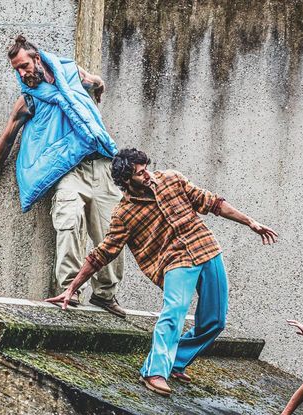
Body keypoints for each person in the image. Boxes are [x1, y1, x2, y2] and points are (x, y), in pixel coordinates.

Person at [46, 148, 279, 396]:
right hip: (175, 261)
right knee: (174, 313)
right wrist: (72, 288)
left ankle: (176, 361)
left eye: (146, 168)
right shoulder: (124, 214)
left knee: (215, 320)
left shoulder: (171, 179)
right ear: (127, 180)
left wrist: (250, 222)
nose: (148, 175)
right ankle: (154, 371)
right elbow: (102, 254)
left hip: (207, 249)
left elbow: (212, 202)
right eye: (140, 173)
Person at [0, 35, 126, 316]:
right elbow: (7, 138)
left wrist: (97, 92)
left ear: (37, 58)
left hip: (102, 165)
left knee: (113, 232)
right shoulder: (29, 100)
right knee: (69, 221)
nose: (22, 74)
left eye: (24, 66)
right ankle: (70, 290)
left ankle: (104, 294)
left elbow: (96, 81)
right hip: (68, 170)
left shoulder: (72, 74)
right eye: (17, 70)